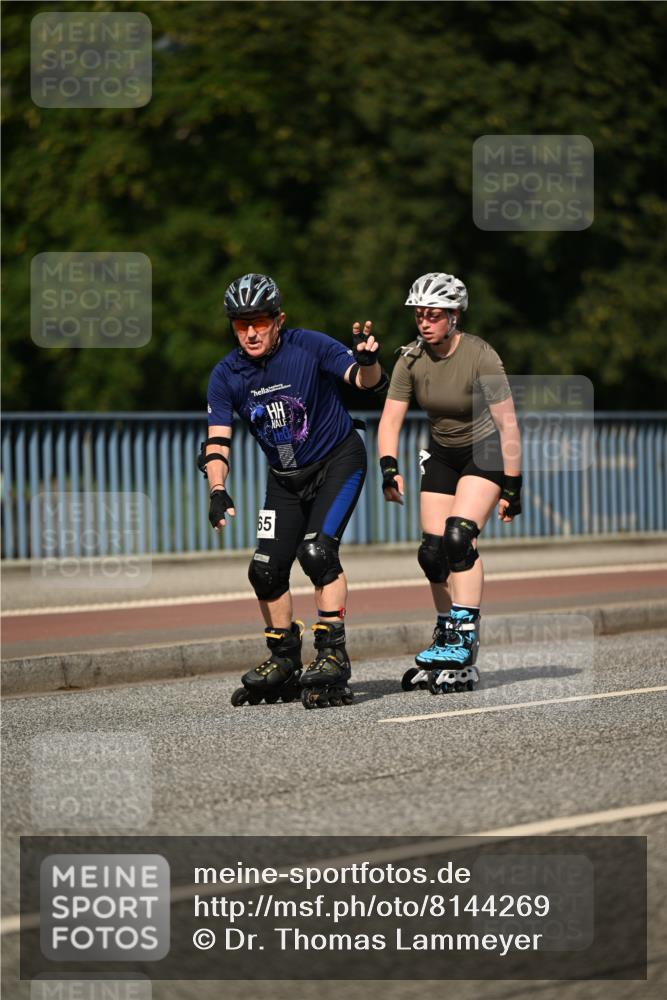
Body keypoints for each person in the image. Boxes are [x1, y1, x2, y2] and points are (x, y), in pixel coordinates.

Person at [202, 272, 388, 709]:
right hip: (284, 479)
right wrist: (217, 490)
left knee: (318, 553)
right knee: (264, 570)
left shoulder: (310, 346)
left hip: (338, 460)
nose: (250, 331)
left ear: (278, 320)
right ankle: (284, 658)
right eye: (240, 323)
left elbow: (368, 384)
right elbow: (216, 441)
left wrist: (366, 363)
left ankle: (331, 654)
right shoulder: (226, 374)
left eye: (260, 321)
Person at [377, 272, 522, 694]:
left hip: (486, 451)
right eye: (419, 315)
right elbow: (390, 420)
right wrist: (389, 467)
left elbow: (508, 426)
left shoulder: (481, 356)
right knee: (432, 553)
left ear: (454, 316)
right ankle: (445, 634)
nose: (424, 322)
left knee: (459, 538)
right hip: (442, 452)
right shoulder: (409, 359)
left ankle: (464, 635)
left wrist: (512, 487)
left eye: (434, 315)